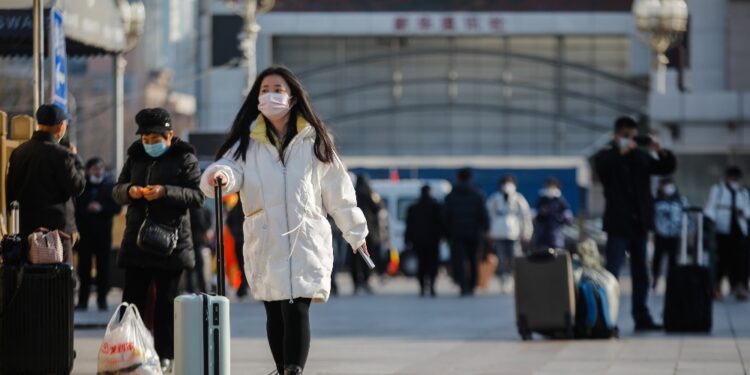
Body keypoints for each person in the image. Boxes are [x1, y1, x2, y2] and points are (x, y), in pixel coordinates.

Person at [200, 66, 369, 375]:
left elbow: (338, 190)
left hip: (305, 238)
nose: (270, 95)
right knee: (275, 309)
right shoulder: (247, 143)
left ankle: (293, 370)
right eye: (264, 90)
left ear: (292, 98)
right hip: (266, 239)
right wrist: (219, 175)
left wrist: (355, 231)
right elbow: (230, 169)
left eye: (277, 89)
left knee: (296, 307)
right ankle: (282, 369)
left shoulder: (314, 140)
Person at [112, 107, 204, 373]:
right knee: (131, 303)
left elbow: (198, 196)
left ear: (169, 135)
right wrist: (131, 191)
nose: (149, 144)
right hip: (137, 240)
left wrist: (165, 192)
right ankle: (130, 352)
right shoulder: (135, 156)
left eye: (155, 139)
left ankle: (165, 356)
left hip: (171, 243)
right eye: (145, 139)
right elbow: (117, 191)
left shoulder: (184, 157)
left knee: (166, 304)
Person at [594, 116, 676, 331]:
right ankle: (606, 317)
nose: (630, 140)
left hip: (639, 224)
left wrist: (659, 149)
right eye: (626, 135)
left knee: (642, 273)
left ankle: (642, 316)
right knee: (612, 271)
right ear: (616, 135)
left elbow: (666, 167)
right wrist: (619, 149)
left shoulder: (641, 157)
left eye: (633, 135)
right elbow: (601, 168)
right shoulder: (606, 156)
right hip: (617, 224)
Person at [6, 104, 86, 255]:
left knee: (30, 275)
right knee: (59, 276)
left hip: (28, 229)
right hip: (59, 233)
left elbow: (11, 192)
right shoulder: (62, 155)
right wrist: (76, 160)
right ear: (60, 126)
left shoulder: (19, 152)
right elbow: (77, 187)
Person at [75, 158, 122, 311]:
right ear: (88, 170)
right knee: (84, 269)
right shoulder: (82, 187)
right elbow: (76, 209)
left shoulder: (109, 187)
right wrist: (87, 209)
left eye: (100, 168)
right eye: (95, 168)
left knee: (103, 269)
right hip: (85, 235)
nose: (98, 171)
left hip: (103, 235)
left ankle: (102, 300)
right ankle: (83, 301)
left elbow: (116, 208)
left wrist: (101, 208)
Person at [704, 166, 750, 301]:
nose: (734, 181)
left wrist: (744, 213)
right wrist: (710, 220)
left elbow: (748, 208)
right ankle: (716, 287)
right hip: (722, 231)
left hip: (740, 231)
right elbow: (711, 206)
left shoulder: (744, 192)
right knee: (721, 260)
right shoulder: (717, 190)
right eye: (732, 178)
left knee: (741, 261)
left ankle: (739, 287)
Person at [444, 168, 490, 297]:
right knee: (473, 259)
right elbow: (484, 215)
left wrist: (447, 234)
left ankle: (463, 285)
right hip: (474, 233)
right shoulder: (477, 194)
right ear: (470, 178)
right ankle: (472, 284)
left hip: (456, 233)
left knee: (459, 260)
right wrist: (485, 229)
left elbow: (445, 217)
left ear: (458, 178)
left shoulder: (451, 196)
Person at [487, 175, 533, 291]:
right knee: (501, 258)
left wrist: (527, 232)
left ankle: (513, 278)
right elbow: (489, 216)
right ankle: (503, 278)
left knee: (514, 257)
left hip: (514, 233)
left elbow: (526, 216)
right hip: (499, 233)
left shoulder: (518, 199)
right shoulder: (495, 199)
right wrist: (489, 232)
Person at [405, 185, 445, 297]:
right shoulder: (437, 207)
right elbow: (442, 224)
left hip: (418, 241)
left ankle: (422, 287)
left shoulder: (413, 208)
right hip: (433, 241)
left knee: (421, 264)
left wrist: (407, 240)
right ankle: (432, 286)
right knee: (433, 264)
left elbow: (409, 226)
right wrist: (444, 237)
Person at [652, 177, 688, 289]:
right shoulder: (656, 200)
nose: (668, 187)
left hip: (675, 235)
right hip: (660, 234)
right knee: (657, 258)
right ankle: (655, 279)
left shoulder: (680, 200)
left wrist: (687, 231)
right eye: (665, 184)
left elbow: (686, 217)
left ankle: (672, 281)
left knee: (673, 260)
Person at [352, 174, 383, 295]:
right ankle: (365, 281)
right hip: (368, 233)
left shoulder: (352, 194)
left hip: (354, 232)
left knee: (354, 260)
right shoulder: (370, 195)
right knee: (367, 257)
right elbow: (379, 208)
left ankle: (356, 283)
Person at [533, 177, 573, 250]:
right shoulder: (541, 200)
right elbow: (535, 215)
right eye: (548, 186)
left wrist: (559, 217)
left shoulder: (560, 201)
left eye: (552, 187)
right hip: (542, 236)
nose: (550, 189)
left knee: (557, 254)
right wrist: (541, 213)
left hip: (556, 235)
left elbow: (568, 217)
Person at [226, 199, 250, 298]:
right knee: (246, 265)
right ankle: (243, 287)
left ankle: (243, 288)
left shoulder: (235, 209)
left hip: (239, 241)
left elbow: (228, 222)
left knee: (242, 265)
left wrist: (234, 233)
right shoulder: (248, 207)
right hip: (246, 241)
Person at [187, 205, 212, 293]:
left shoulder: (190, 207)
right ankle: (201, 288)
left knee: (193, 267)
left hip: (192, 240)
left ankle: (193, 288)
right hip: (197, 241)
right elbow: (204, 223)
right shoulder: (200, 208)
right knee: (198, 267)